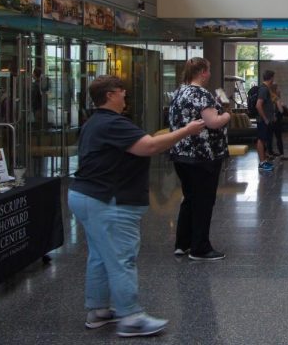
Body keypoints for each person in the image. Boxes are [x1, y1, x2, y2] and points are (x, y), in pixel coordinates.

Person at [68, 75, 205, 337]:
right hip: (109, 200)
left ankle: (97, 310)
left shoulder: (93, 123)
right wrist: (187, 131)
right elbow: (149, 146)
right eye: (122, 91)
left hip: (86, 195)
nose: (125, 96)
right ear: (109, 95)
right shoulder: (113, 123)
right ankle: (130, 317)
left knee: (99, 255)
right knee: (122, 257)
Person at [167, 58, 230, 262]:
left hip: (181, 154)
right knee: (203, 200)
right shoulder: (202, 94)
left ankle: (182, 243)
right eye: (209, 70)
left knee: (190, 197)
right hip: (203, 156)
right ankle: (200, 247)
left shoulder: (179, 92)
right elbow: (212, 123)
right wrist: (227, 116)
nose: (210, 74)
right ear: (202, 72)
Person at [255, 70, 276, 172]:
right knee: (261, 139)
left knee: (263, 140)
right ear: (271, 78)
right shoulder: (264, 89)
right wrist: (265, 119)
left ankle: (264, 160)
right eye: (273, 78)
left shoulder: (265, 88)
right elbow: (258, 105)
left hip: (265, 119)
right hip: (263, 120)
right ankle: (262, 162)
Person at [269, 83, 287, 159]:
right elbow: (281, 110)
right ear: (275, 90)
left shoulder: (269, 97)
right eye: (277, 89)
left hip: (269, 120)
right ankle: (281, 154)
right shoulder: (276, 99)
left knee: (269, 137)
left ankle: (270, 153)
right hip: (277, 121)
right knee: (278, 137)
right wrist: (283, 106)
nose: (279, 90)